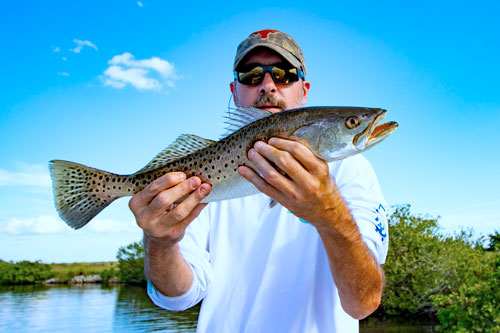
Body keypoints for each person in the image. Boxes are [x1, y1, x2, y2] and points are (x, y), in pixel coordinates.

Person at [129, 29, 389, 332]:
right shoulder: (202, 175)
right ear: (234, 90)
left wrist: (330, 216)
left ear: (304, 90)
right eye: (251, 75)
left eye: (284, 74)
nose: (268, 85)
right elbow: (179, 296)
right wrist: (160, 243)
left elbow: (363, 303)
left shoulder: (352, 170)